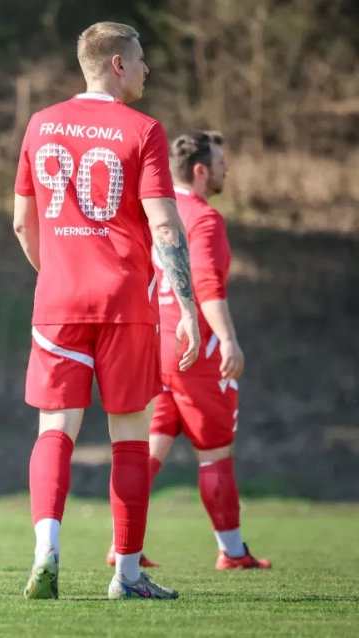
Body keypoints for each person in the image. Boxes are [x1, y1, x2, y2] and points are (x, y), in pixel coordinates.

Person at [12, 21, 201, 600]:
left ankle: (46, 550)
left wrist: (56, 274)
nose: (147, 69)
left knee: (55, 429)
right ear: (117, 64)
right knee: (130, 435)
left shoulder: (41, 123)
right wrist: (187, 306)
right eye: (140, 59)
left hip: (58, 300)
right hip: (125, 301)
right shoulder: (144, 129)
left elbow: (21, 222)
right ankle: (127, 575)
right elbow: (164, 223)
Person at [105, 131, 271, 570]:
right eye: (220, 161)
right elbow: (207, 286)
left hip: (152, 344)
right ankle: (232, 552)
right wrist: (228, 339)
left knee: (149, 448)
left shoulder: (149, 210)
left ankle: (122, 544)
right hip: (195, 349)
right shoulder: (203, 218)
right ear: (200, 171)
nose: (225, 168)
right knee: (215, 451)